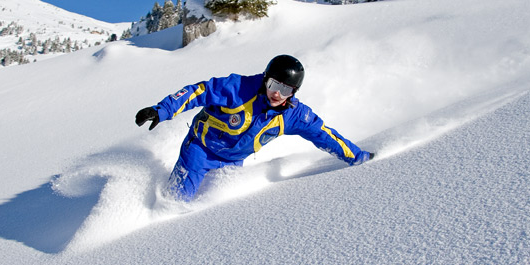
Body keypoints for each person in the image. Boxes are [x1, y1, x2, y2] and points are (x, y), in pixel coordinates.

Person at [135, 55, 374, 201]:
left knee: (213, 206)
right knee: (177, 200)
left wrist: (359, 157)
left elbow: (325, 135)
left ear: (294, 92)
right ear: (265, 78)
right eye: (273, 85)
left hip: (232, 162)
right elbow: (199, 91)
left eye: (287, 90)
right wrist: (162, 110)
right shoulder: (237, 88)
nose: (278, 94)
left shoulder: (293, 114)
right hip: (200, 150)